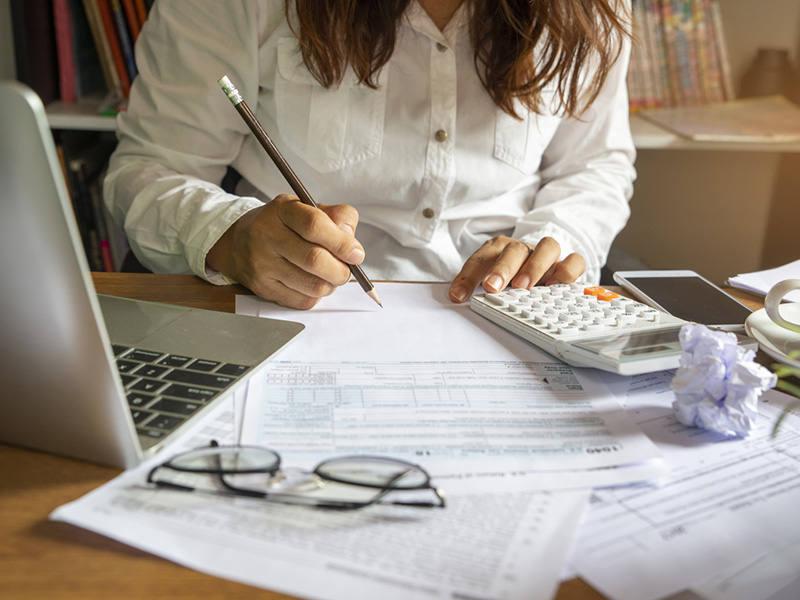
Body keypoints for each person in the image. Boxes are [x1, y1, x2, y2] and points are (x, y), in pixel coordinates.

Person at [104, 0, 636, 310]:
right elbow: (150, 167)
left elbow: (594, 166)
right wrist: (229, 237)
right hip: (290, 310)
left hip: (510, 311)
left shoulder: (592, 10)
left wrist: (551, 244)